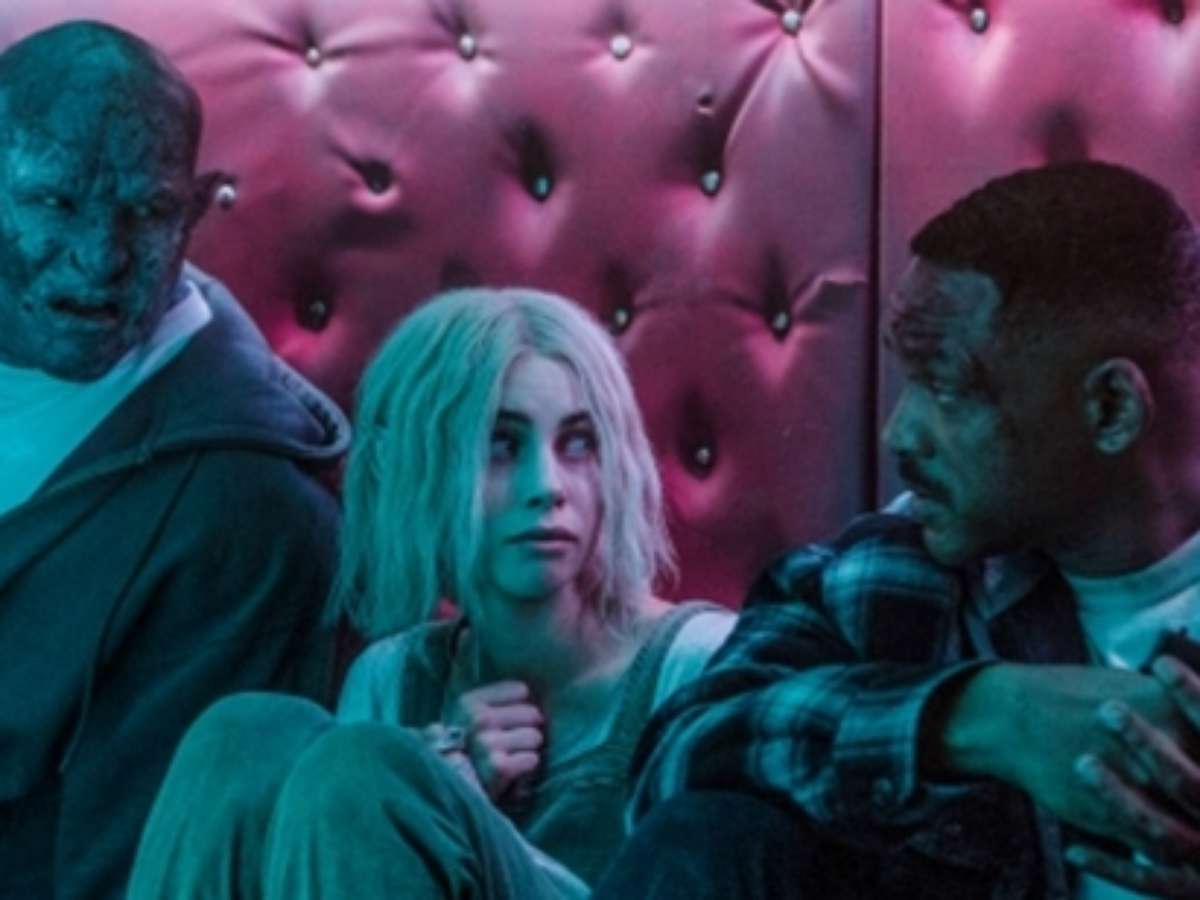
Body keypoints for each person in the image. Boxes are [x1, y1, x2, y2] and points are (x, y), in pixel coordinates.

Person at [593, 161, 1200, 900]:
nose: (899, 432)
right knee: (710, 833)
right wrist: (981, 715)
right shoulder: (895, 575)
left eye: (946, 387)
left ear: (1111, 409)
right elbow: (676, 760)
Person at [127, 287, 735, 899]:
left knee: (368, 769)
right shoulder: (392, 676)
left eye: (578, 443)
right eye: (501, 445)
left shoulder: (705, 663)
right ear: (424, 468)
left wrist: (441, 801)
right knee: (242, 736)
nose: (547, 486)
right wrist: (448, 787)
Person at [0, 21, 348, 900]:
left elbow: (130, 869)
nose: (101, 257)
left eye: (146, 211)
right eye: (55, 202)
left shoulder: (249, 512)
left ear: (193, 214)